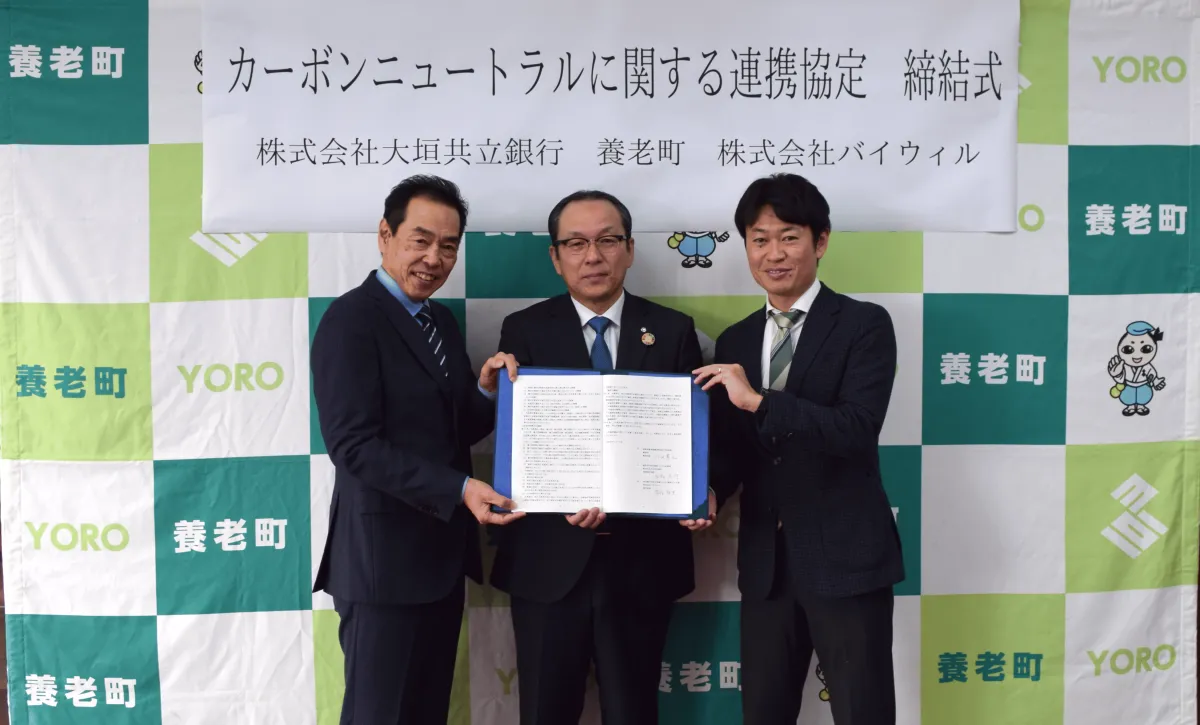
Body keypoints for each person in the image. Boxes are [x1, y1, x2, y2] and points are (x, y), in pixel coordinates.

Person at [482, 190, 713, 725]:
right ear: (555, 256)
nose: (593, 256)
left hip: (642, 565)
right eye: (576, 243)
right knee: (545, 712)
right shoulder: (524, 329)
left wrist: (702, 489)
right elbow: (519, 439)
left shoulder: (673, 330)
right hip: (547, 562)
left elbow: (701, 437)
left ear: (629, 249)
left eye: (608, 241)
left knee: (634, 713)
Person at [310, 174, 524, 724]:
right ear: (385, 235)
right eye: (421, 240)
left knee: (426, 712)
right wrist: (460, 488)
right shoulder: (350, 320)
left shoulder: (440, 321)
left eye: (448, 246)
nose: (434, 259)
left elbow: (453, 432)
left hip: (439, 561)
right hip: (382, 565)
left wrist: (485, 392)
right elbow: (353, 446)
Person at [693, 173, 904, 725]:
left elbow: (856, 427)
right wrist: (708, 490)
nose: (774, 253)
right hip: (767, 564)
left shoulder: (864, 324)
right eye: (759, 239)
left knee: (862, 712)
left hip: (846, 558)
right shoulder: (736, 339)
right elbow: (736, 448)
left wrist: (760, 401)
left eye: (789, 237)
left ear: (821, 241)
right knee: (763, 713)